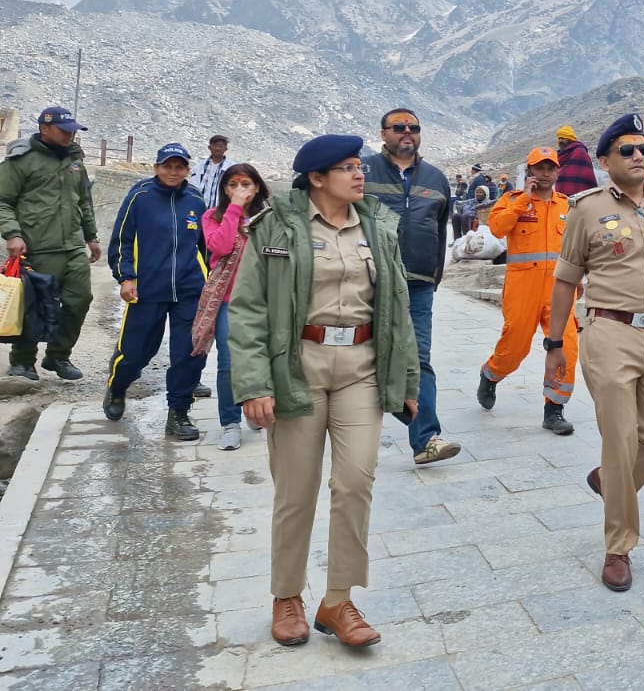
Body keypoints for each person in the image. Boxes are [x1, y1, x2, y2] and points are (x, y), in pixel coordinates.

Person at [230, 134, 420, 650]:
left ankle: (338, 600)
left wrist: (407, 379)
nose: (360, 175)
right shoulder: (275, 226)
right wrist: (253, 383)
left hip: (362, 367)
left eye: (360, 166)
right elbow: (247, 309)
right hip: (299, 368)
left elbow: (398, 304)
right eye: (347, 168)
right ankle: (287, 596)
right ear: (316, 178)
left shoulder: (378, 225)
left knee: (356, 482)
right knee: (296, 490)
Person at [544, 113, 644, 592]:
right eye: (627, 151)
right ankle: (618, 547)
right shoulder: (586, 209)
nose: (638, 157)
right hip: (609, 331)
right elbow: (566, 280)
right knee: (621, 439)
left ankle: (608, 480)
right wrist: (554, 343)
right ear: (605, 161)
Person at [361, 109, 461, 467]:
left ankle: (426, 438)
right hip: (369, 282)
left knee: (418, 359)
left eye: (414, 128)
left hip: (418, 284)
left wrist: (435, 273)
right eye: (399, 127)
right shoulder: (363, 172)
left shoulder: (436, 178)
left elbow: (440, 229)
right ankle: (356, 438)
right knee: (363, 358)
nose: (407, 132)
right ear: (383, 134)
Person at [103, 143, 209, 441]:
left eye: (179, 166)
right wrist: (126, 277)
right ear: (156, 168)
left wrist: (211, 281)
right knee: (135, 353)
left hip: (190, 289)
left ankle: (178, 413)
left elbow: (205, 246)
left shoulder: (195, 199)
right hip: (147, 289)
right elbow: (121, 240)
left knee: (189, 353)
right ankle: (117, 386)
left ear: (188, 170)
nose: (173, 172)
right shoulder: (141, 196)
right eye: (167, 166)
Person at [476, 146, 581, 434]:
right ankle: (491, 374)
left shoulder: (567, 206)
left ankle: (554, 409)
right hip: (523, 287)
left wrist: (579, 280)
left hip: (559, 289)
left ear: (557, 172)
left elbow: (575, 248)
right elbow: (497, 228)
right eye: (539, 168)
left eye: (550, 168)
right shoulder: (511, 200)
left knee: (567, 347)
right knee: (515, 347)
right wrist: (524, 198)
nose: (545, 173)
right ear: (529, 170)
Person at [0, 106, 100, 381]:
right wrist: (12, 234)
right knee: (33, 304)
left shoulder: (75, 160)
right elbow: (2, 201)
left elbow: (84, 201)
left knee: (80, 299)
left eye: (72, 131)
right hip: (36, 246)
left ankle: (58, 355)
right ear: (44, 129)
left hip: (73, 246)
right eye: (64, 130)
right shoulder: (22, 161)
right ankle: (22, 361)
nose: (70, 135)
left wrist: (91, 237)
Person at [195, 164, 270, 451]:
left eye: (246, 184)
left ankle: (255, 407)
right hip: (229, 300)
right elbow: (221, 247)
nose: (240, 189)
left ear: (257, 187)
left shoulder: (269, 218)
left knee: (262, 358)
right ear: (225, 189)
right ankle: (230, 422)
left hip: (263, 299)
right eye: (233, 185)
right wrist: (235, 209)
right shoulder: (213, 217)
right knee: (228, 362)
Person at [189, 134, 236, 211]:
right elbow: (193, 187)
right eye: (215, 145)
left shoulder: (232, 167)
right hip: (200, 209)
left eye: (220, 146)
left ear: (226, 149)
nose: (217, 148)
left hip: (222, 210)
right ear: (209, 147)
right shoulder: (199, 167)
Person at [555, 125, 598, 196]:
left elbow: (587, 175)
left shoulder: (579, 152)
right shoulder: (559, 156)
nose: (560, 141)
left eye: (563, 138)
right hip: (561, 197)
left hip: (579, 195)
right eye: (559, 138)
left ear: (569, 139)